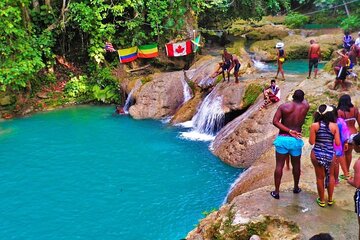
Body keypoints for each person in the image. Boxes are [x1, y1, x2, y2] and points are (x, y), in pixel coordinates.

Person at [270, 89, 310, 199]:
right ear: (302, 98)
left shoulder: (284, 107)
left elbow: (275, 121)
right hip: (296, 140)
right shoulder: (305, 106)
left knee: (279, 166)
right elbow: (305, 101)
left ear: (292, 96)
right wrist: (293, 131)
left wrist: (289, 131)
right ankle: (296, 188)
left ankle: (277, 192)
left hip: (283, 138)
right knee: (296, 165)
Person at [309, 105, 340, 207]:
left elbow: (311, 142)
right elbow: (338, 143)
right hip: (330, 154)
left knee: (320, 178)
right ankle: (330, 200)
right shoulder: (334, 126)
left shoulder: (314, 126)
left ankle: (322, 200)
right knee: (331, 176)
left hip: (317, 153)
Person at [337, 94, 360, 179]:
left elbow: (339, 125)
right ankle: (347, 172)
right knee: (349, 154)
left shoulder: (339, 111)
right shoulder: (355, 110)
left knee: (342, 154)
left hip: (344, 135)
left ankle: (345, 173)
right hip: (353, 133)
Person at [332, 106, 350, 185]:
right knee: (339, 160)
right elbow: (345, 133)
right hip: (340, 144)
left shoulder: (329, 123)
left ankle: (335, 180)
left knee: (334, 163)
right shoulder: (341, 121)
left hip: (331, 144)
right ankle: (345, 175)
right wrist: (346, 143)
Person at [347, 133, 360, 240]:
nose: (353, 146)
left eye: (354, 144)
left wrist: (349, 180)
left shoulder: (358, 163)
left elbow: (357, 184)